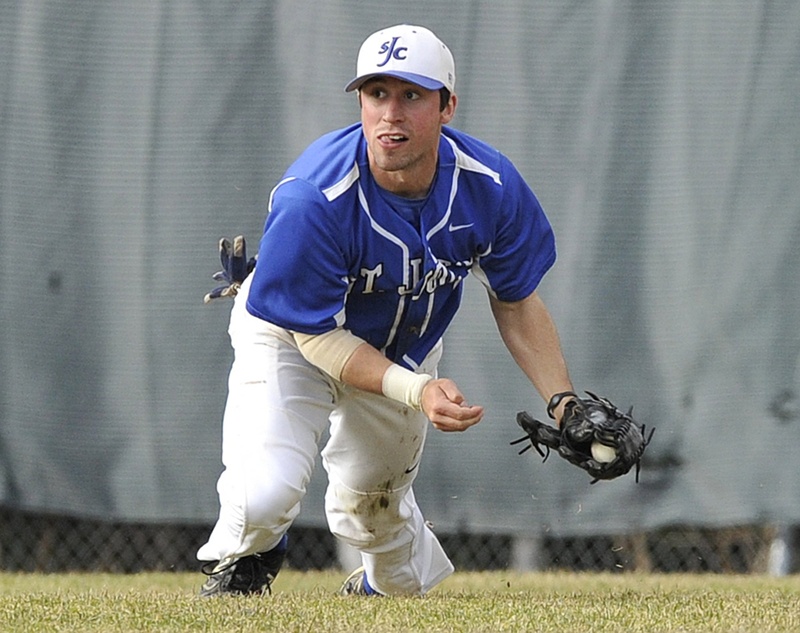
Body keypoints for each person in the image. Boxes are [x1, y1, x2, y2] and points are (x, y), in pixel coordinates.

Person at [197, 23, 574, 597]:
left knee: (373, 509)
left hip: (402, 345)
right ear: (359, 102)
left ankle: (383, 589)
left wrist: (565, 402)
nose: (390, 114)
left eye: (411, 95)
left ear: (448, 106)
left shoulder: (489, 186)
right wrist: (416, 390)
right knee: (262, 498)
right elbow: (319, 340)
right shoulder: (314, 197)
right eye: (376, 94)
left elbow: (516, 300)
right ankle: (250, 558)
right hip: (291, 333)